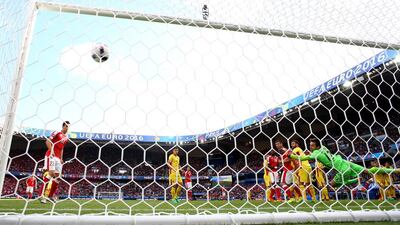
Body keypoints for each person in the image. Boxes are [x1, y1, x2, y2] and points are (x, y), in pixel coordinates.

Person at [290, 138, 400, 187]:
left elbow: (303, 159)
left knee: (332, 185)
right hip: (343, 161)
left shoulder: (316, 154)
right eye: (310, 145)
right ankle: (395, 170)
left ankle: (354, 180)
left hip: (341, 168)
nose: (310, 146)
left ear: (317, 146)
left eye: (312, 145)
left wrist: (291, 155)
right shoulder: (322, 148)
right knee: (369, 170)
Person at [40, 121, 70, 203]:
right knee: (51, 173)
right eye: (66, 126)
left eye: (69, 126)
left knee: (58, 178)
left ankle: (50, 196)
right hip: (51, 155)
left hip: (58, 158)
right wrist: (51, 151)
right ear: (63, 126)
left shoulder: (66, 138)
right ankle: (42, 195)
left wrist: (61, 158)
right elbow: (47, 141)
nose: (67, 128)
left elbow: (62, 148)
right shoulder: (57, 133)